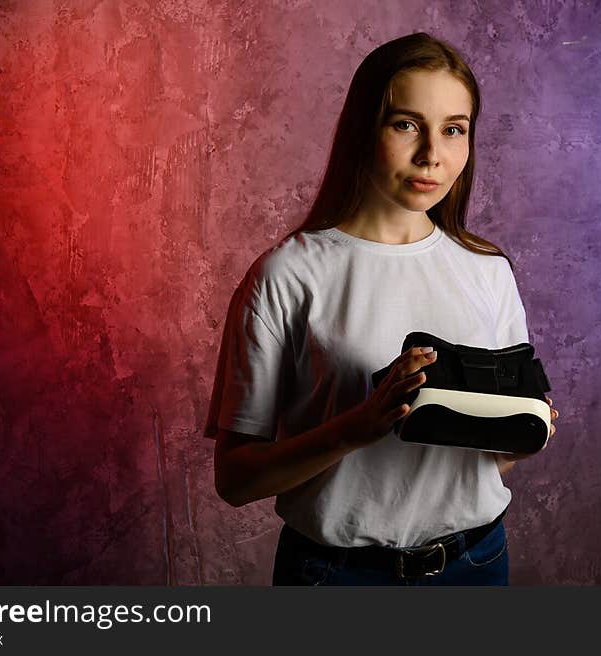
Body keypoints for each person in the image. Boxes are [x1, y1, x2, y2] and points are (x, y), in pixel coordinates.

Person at [203, 32, 559, 586]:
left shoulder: (488, 270)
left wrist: (520, 433)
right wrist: (356, 428)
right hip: (337, 574)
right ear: (362, 129)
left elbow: (491, 464)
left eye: (453, 130)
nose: (432, 155)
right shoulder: (287, 275)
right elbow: (235, 479)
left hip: (476, 564)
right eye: (406, 124)